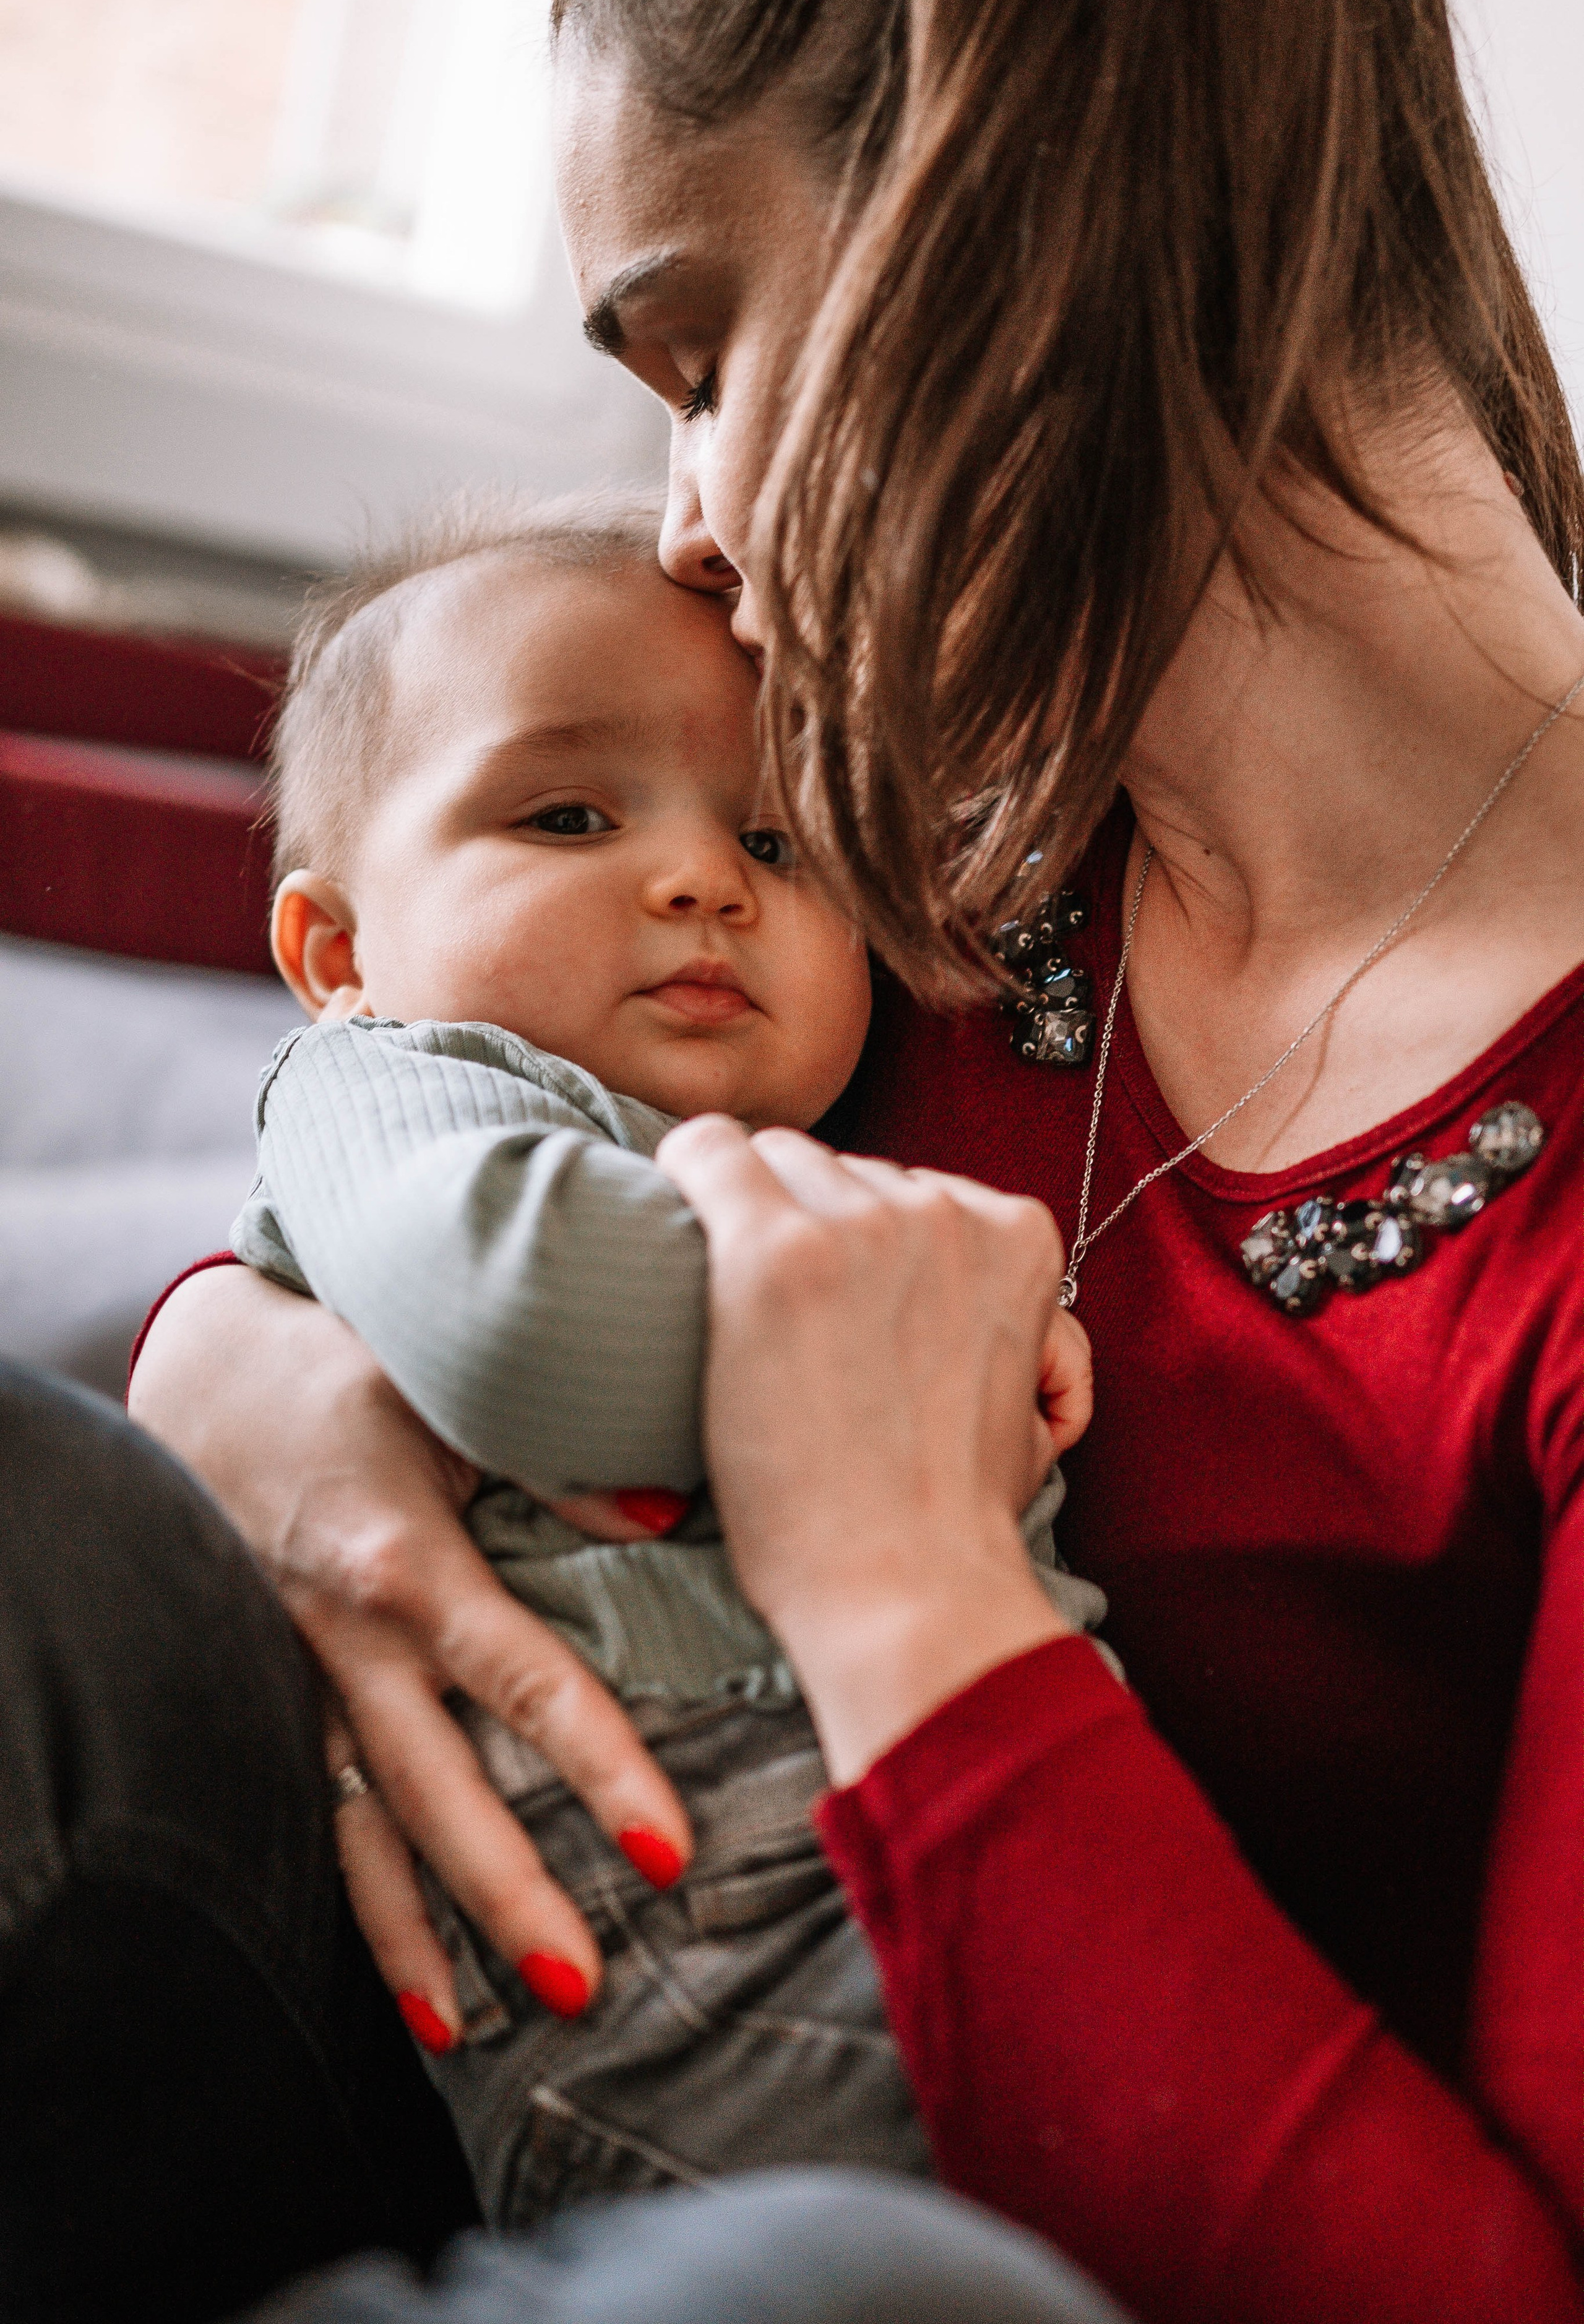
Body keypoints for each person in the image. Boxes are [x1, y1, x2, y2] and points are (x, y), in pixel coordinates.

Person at [25, 0, 1583, 2313]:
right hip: (470, 2008)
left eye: (708, 359)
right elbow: (452, 1070)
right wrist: (238, 1361)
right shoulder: (887, 835)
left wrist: (914, 1595)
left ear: (1022, 195)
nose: (680, 531)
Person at [227, 486, 1099, 2213]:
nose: (705, 876)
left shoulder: (835, 1152)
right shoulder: (401, 1084)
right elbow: (541, 1326)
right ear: (340, 952)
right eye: (566, 813)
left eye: (783, 845)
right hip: (681, 1930)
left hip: (962, 1864)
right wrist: (933, 1316)